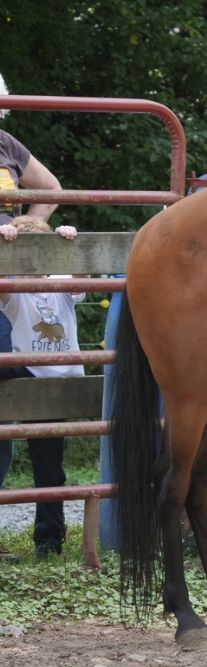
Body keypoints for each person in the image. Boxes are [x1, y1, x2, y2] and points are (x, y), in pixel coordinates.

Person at [0, 71, 66, 562]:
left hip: (17, 282)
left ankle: (50, 536)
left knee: (37, 407)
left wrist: (35, 225)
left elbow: (51, 187)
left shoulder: (6, 143)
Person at [0, 216, 83, 561]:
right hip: (28, 372)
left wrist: (68, 242)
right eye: (23, 257)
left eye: (40, 256)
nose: (32, 266)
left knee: (50, 467)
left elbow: (81, 277)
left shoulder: (60, 282)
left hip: (60, 380)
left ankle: (49, 543)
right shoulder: (16, 291)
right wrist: (5, 243)